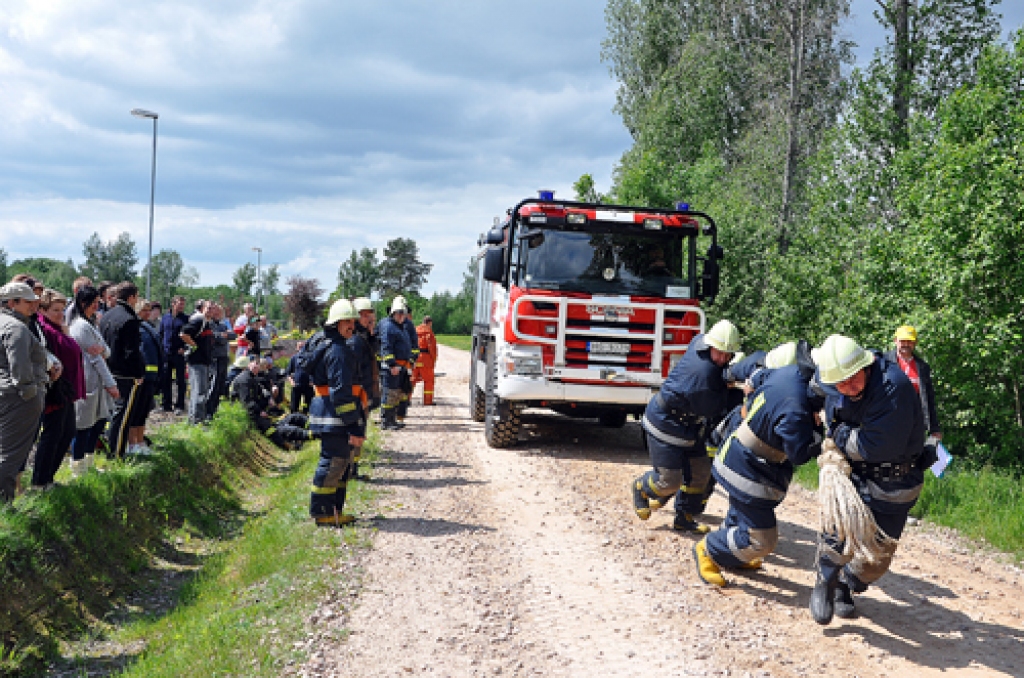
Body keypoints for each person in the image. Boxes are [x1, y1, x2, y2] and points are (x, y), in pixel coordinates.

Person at [808, 334, 928, 625]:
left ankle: (847, 585)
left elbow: (875, 447)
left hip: (895, 480)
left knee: (877, 556)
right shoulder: (834, 375)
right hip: (856, 470)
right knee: (838, 525)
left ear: (866, 366)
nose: (848, 388)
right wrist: (817, 413)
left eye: (853, 379)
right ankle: (826, 580)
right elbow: (815, 391)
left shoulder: (893, 388)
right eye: (840, 384)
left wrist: (836, 433)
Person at [693, 341, 822, 587]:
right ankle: (708, 550)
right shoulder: (795, 408)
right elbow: (799, 454)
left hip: (740, 456)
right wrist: (818, 430)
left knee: (740, 514)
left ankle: (732, 555)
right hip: (746, 468)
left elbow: (754, 381)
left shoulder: (785, 373)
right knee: (762, 540)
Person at [631, 319, 739, 533]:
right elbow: (715, 408)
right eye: (720, 353)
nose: (723, 359)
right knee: (668, 481)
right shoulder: (704, 376)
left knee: (700, 472)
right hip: (665, 424)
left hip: (688, 425)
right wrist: (734, 391)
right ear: (710, 347)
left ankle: (684, 517)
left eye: (728, 355)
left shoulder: (699, 342)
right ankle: (640, 488)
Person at [308, 299, 364, 526]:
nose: (352, 326)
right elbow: (341, 394)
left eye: (353, 321)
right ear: (335, 324)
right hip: (335, 416)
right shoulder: (339, 351)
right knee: (333, 462)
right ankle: (322, 512)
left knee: (341, 464)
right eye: (346, 322)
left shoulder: (326, 344)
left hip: (329, 414)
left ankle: (334, 510)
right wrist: (353, 424)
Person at [31, 289, 86, 488]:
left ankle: (48, 478)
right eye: (55, 310)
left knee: (67, 431)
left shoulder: (57, 328)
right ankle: (40, 481)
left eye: (62, 309)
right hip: (55, 390)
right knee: (53, 433)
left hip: (66, 390)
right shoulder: (44, 330)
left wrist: (66, 333)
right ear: (43, 310)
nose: (61, 314)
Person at [0, 282, 48, 501]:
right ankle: (4, 508)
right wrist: (32, 395)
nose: (33, 306)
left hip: (6, 394)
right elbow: (20, 368)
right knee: (9, 456)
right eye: (28, 302)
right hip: (18, 398)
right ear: (11, 303)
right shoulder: (16, 328)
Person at [68, 286, 118, 476]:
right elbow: (96, 357)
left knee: (97, 422)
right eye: (94, 302)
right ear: (83, 303)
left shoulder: (91, 323)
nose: (98, 305)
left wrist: (102, 350)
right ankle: (78, 467)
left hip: (95, 380)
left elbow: (106, 350)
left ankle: (88, 462)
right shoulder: (80, 326)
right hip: (88, 380)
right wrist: (110, 383)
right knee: (83, 425)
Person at [99, 283, 146, 459]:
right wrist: (138, 373)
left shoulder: (107, 315)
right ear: (132, 297)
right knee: (123, 416)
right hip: (126, 374)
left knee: (113, 413)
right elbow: (131, 351)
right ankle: (116, 453)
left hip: (108, 370)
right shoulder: (129, 318)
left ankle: (112, 449)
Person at [230, 356, 315, 449]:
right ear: (247, 365)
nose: (258, 367)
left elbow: (261, 392)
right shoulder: (244, 380)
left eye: (258, 365)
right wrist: (259, 411)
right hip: (254, 415)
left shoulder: (251, 377)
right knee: (276, 430)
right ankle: (291, 443)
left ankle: (314, 426)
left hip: (262, 411)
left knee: (293, 418)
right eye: (255, 365)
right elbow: (246, 402)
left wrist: (269, 399)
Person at [885, 325, 941, 442]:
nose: (906, 344)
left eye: (909, 341)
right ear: (895, 341)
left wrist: (934, 428)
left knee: (913, 457)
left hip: (915, 424)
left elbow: (929, 399)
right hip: (888, 422)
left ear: (915, 342)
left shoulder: (922, 367)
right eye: (902, 341)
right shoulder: (884, 363)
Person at [347, 298, 377, 479]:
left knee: (360, 431)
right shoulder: (356, 340)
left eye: (369, 315)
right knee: (356, 432)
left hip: (362, 392)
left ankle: (353, 468)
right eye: (364, 315)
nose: (368, 318)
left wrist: (372, 334)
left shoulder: (364, 336)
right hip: (356, 394)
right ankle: (351, 469)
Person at [132, 298, 164, 454]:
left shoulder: (149, 327)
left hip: (151, 376)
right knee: (136, 411)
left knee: (144, 411)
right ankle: (133, 443)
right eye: (144, 310)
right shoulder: (136, 327)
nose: (147, 313)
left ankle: (140, 441)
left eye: (148, 310)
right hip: (142, 376)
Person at [378, 297, 413, 430]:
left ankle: (392, 420)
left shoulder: (400, 327)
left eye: (403, 313)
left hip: (401, 367)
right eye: (398, 313)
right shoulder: (389, 327)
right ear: (393, 313)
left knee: (396, 394)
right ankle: (386, 422)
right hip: (392, 368)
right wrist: (392, 364)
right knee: (390, 395)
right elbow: (386, 346)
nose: (401, 315)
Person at [180, 300, 215, 424]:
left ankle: (193, 419)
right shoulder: (199, 320)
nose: (211, 310)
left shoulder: (207, 323)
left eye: (212, 308)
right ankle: (197, 421)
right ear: (203, 308)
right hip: (197, 361)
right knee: (199, 392)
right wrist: (193, 346)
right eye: (208, 308)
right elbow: (184, 333)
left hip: (204, 361)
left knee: (200, 391)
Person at [160, 296, 189, 414]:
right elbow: (161, 334)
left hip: (179, 353)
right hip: (167, 353)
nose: (181, 306)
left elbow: (190, 335)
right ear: (173, 304)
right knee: (165, 379)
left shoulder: (186, 319)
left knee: (180, 380)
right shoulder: (165, 318)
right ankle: (166, 404)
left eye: (183, 304)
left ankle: (180, 405)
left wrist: (185, 348)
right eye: (179, 304)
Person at [207, 303, 235, 419]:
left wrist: (225, 336)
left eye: (220, 311)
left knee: (220, 386)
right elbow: (214, 338)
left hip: (224, 358)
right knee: (213, 386)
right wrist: (222, 336)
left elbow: (233, 335)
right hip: (215, 358)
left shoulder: (223, 325)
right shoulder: (209, 324)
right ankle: (208, 412)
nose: (218, 313)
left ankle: (215, 410)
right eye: (216, 311)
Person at [413, 316, 438, 406]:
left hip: (415, 358)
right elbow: (432, 348)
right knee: (429, 381)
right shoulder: (429, 333)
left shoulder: (415, 330)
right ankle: (427, 401)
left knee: (412, 380)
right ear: (429, 323)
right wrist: (434, 358)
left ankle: (406, 400)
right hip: (426, 358)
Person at [285, 340, 314, 414]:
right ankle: (293, 421)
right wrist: (292, 382)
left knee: (308, 406)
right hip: (297, 385)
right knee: (294, 407)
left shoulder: (310, 358)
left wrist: (312, 381)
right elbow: (288, 373)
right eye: (300, 347)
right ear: (297, 348)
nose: (301, 348)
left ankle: (306, 421)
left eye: (303, 347)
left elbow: (315, 371)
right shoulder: (294, 358)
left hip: (308, 385)